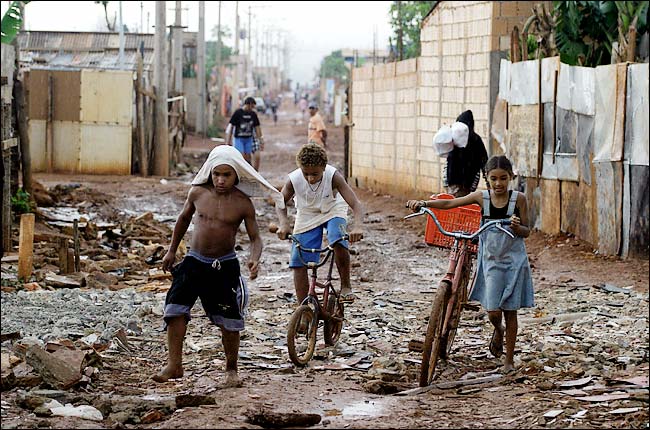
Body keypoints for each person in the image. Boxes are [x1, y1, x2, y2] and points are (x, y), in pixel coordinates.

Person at [153, 144, 284, 387]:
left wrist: (255, 258)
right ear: (209, 173)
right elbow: (183, 219)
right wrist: (172, 250)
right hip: (194, 261)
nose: (221, 180)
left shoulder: (243, 203)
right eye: (216, 174)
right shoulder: (198, 194)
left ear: (236, 175)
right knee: (174, 309)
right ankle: (174, 364)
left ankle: (231, 370)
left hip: (224, 265)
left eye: (226, 175)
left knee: (229, 320)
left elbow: (256, 238)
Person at [406, 155, 534, 374]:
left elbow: (527, 231)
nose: (498, 184)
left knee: (511, 310)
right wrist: (424, 204)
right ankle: (498, 330)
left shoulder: (519, 200)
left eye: (503, 178)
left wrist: (517, 227)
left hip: (514, 261)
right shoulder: (481, 198)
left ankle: (509, 360)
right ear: (487, 178)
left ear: (511, 178)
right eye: (493, 178)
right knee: (493, 311)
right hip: (491, 262)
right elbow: (450, 203)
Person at [275, 143, 364, 309]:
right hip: (307, 212)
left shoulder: (333, 176)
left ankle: (345, 286)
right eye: (306, 173)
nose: (310, 178)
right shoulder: (294, 179)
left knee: (337, 238)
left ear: (324, 168)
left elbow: (356, 204)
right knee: (298, 258)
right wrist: (284, 223)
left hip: (333, 209)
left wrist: (358, 226)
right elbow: (280, 202)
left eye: (315, 174)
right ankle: (304, 308)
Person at [444, 109, 488, 197]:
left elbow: (484, 161)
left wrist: (488, 180)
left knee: (458, 204)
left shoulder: (475, 140)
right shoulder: (456, 138)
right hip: (461, 182)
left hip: (464, 182)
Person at [226, 97, 264, 164]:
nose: (252, 109)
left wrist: (261, 140)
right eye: (252, 107)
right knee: (241, 156)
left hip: (248, 139)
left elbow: (257, 128)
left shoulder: (253, 114)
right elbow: (231, 127)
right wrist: (228, 141)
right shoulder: (238, 113)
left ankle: (248, 170)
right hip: (239, 139)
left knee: (248, 157)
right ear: (248, 104)